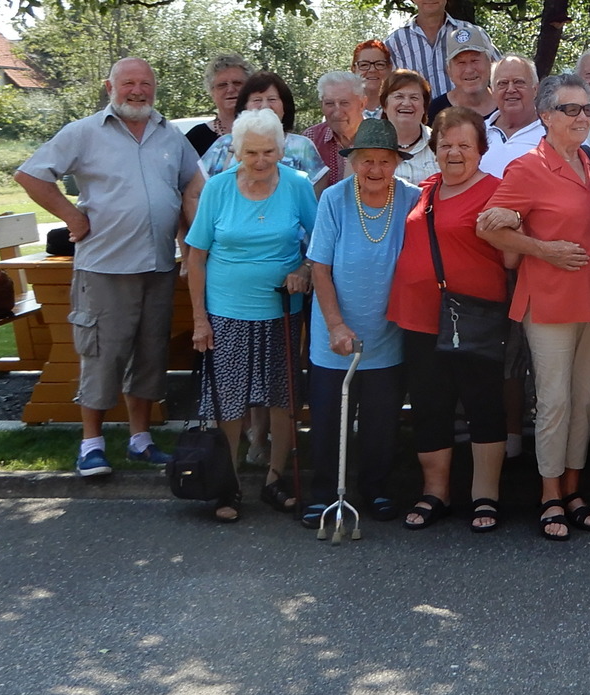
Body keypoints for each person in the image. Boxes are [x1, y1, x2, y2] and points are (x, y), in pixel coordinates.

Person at [15, 58, 197, 477]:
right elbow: (31, 175)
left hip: (157, 266)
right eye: (129, 83)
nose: (138, 90)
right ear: (109, 87)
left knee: (150, 354)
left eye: (146, 83)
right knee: (102, 355)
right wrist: (71, 216)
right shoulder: (84, 132)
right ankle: (91, 445)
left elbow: (192, 187)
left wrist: (189, 249)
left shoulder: (170, 135)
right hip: (106, 267)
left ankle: (140, 440)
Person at [477, 74, 590, 539]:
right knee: (554, 403)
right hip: (550, 302)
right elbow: (489, 229)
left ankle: (574, 489)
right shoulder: (526, 167)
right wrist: (543, 249)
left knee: (584, 402)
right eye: (571, 110)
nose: (582, 118)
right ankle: (549, 496)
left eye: (587, 109)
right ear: (546, 116)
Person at [183, 108, 319, 521]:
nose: (260, 161)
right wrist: (199, 320)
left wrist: (303, 269)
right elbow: (198, 256)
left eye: (268, 152)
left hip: (282, 311)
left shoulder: (296, 186)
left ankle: (275, 479)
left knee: (282, 398)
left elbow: (320, 244)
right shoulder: (219, 188)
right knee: (229, 402)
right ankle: (229, 484)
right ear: (235, 151)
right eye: (251, 153)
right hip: (226, 313)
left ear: (282, 149)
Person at [387, 107, 510, 534]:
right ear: (434, 149)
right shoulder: (424, 190)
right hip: (420, 318)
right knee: (429, 405)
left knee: (483, 405)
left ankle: (485, 497)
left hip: (475, 317)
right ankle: (435, 492)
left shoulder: (499, 192)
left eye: (464, 145)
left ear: (481, 149)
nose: (454, 152)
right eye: (446, 145)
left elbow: (511, 255)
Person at [301, 116, 418, 526]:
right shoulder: (334, 199)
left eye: (384, 161)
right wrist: (334, 324)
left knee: (380, 422)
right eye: (366, 160)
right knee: (330, 419)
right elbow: (320, 268)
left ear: (396, 163)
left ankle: (377, 489)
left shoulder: (412, 199)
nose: (374, 169)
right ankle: (323, 493)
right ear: (353, 162)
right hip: (335, 334)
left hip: (388, 332)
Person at [384, 0, 496, 101]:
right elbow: (384, 90)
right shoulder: (395, 42)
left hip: (467, 118)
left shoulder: (473, 34)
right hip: (417, 120)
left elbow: (501, 75)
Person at [194, 71, 322, 182]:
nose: (265, 106)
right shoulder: (223, 145)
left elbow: (315, 202)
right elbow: (194, 195)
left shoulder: (302, 147)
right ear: (244, 107)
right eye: (257, 100)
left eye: (272, 99)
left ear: (285, 106)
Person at [302, 70, 366, 186]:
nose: (337, 112)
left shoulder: (378, 136)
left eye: (344, 103)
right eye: (329, 104)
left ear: (362, 104)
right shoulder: (311, 139)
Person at [482, 56, 543, 176]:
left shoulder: (556, 133)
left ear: (535, 89)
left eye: (518, 82)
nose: (510, 89)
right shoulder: (477, 132)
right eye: (503, 83)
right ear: (492, 91)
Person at [380, 69, 438, 186]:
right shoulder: (367, 146)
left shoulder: (441, 143)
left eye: (414, 98)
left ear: (424, 107)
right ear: (385, 105)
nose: (406, 103)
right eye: (399, 96)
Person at [188, 53, 252, 157]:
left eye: (237, 83)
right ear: (212, 92)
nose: (230, 89)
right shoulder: (196, 138)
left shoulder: (268, 132)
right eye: (222, 85)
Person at [428, 44, 496, 122]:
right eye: (461, 62)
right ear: (449, 70)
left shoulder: (506, 105)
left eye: (475, 60)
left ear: (490, 64)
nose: (469, 70)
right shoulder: (435, 111)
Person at [350, 40, 393, 117]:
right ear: (354, 69)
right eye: (364, 65)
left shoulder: (399, 109)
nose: (372, 70)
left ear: (389, 68)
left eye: (379, 64)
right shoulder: (343, 109)